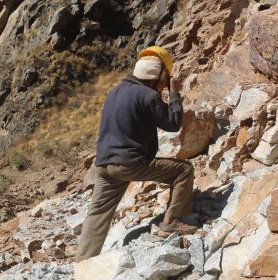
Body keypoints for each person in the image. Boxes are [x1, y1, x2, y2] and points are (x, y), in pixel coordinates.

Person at [76, 46, 196, 262]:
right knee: (183, 171)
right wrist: (174, 94)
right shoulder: (148, 95)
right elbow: (173, 123)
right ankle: (172, 222)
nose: (163, 84)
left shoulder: (114, 92)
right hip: (129, 163)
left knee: (98, 213)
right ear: (156, 76)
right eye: (164, 79)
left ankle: (83, 261)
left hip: (103, 164)